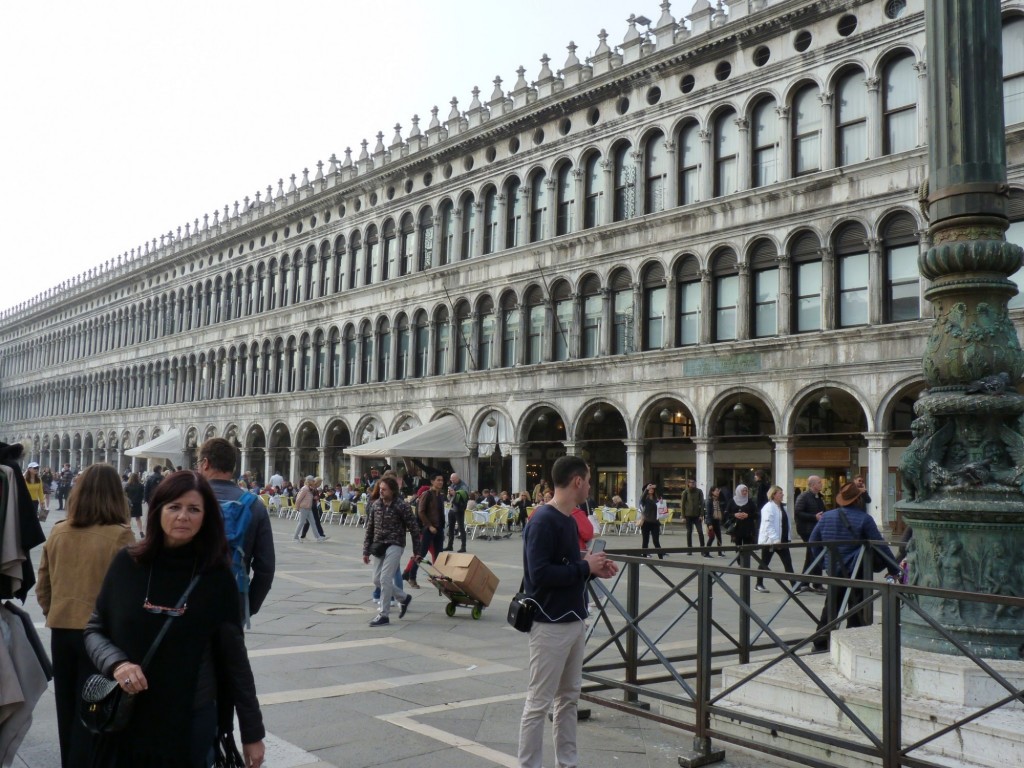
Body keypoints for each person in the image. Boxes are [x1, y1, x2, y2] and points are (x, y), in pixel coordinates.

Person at [83, 471, 266, 767]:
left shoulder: (216, 578)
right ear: (158, 511)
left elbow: (235, 660)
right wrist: (118, 664)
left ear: (206, 517)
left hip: (190, 720)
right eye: (174, 507)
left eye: (194, 509)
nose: (183, 516)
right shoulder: (127, 564)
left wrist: (252, 732)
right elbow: (94, 629)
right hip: (126, 716)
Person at [518, 455, 618, 768]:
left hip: (573, 618)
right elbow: (540, 575)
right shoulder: (543, 519)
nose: (590, 486)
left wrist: (591, 569)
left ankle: (567, 761)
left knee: (569, 699)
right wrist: (583, 566)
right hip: (549, 622)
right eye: (588, 480)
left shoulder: (567, 519)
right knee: (539, 703)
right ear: (577, 481)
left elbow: (566, 566)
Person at [36, 464, 136, 768]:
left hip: (62, 632)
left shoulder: (59, 530)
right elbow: (129, 593)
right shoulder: (120, 535)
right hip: (101, 638)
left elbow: (43, 586)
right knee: (95, 710)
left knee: (66, 708)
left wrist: (57, 611)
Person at [808, 481, 901, 651]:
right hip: (856, 569)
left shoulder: (827, 516)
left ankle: (820, 643)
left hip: (834, 569)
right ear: (858, 500)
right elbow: (880, 546)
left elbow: (813, 541)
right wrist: (894, 568)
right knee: (857, 606)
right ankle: (852, 642)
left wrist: (823, 562)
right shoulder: (864, 519)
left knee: (831, 606)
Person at [197, 438, 276, 625]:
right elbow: (266, 567)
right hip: (234, 595)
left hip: (189, 595)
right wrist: (249, 603)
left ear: (206, 463)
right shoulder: (254, 505)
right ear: (233, 467)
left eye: (198, 464)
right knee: (229, 653)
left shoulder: (186, 503)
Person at [362, 476, 420, 627]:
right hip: (379, 545)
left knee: (385, 578)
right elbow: (370, 529)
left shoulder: (402, 506)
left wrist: (417, 551)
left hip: (395, 544)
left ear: (393, 490)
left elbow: (414, 529)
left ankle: (384, 615)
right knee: (376, 579)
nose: (381, 491)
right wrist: (366, 551)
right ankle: (404, 597)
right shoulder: (376, 505)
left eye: (384, 489)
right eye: (380, 489)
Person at [403, 473, 445, 589]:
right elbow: (421, 512)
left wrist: (441, 527)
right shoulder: (427, 494)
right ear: (432, 481)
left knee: (439, 556)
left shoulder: (440, 495)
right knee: (420, 554)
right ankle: (412, 577)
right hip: (428, 529)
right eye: (438, 480)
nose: (441, 482)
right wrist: (429, 526)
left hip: (439, 529)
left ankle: (436, 578)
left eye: (442, 480)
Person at [755, 486, 795, 593]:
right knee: (764, 563)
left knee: (788, 563)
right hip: (771, 542)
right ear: (774, 495)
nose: (782, 495)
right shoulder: (768, 507)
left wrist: (787, 537)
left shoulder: (783, 507)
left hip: (783, 541)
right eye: (780, 493)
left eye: (782, 493)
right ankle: (758, 584)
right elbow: (768, 525)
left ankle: (795, 586)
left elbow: (786, 524)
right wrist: (775, 539)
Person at [794, 476, 827, 594]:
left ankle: (805, 583)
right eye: (819, 482)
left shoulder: (819, 496)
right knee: (815, 555)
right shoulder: (804, 496)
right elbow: (798, 512)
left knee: (811, 556)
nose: (821, 484)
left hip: (816, 530)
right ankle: (816, 584)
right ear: (813, 485)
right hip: (807, 530)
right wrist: (814, 517)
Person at [292, 476, 327, 542]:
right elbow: (298, 498)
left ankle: (318, 537)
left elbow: (309, 498)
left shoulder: (310, 489)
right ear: (309, 481)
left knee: (313, 522)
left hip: (309, 508)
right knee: (301, 522)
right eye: (313, 481)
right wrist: (297, 507)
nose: (314, 482)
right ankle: (295, 537)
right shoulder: (305, 489)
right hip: (304, 508)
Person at [680, 478, 707, 555]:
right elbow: (682, 505)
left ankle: (702, 549)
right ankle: (689, 549)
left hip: (697, 515)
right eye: (691, 483)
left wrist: (702, 515)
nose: (692, 484)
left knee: (700, 531)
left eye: (694, 482)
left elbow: (702, 504)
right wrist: (683, 516)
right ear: (688, 484)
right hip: (688, 515)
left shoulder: (699, 491)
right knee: (689, 532)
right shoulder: (685, 492)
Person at [638, 483, 665, 558]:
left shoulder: (657, 499)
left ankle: (660, 558)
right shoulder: (644, 499)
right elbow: (641, 499)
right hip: (646, 522)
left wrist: (657, 488)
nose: (651, 490)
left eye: (652, 489)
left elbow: (661, 506)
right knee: (645, 542)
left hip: (655, 523)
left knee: (656, 541)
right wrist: (646, 489)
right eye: (650, 489)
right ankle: (644, 558)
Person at [446, 472, 468, 552]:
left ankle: (463, 546)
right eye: (451, 479)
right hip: (452, 508)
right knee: (451, 528)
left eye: (453, 479)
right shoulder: (452, 485)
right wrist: (449, 494)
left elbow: (465, 496)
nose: (452, 481)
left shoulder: (463, 485)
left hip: (459, 509)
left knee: (461, 528)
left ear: (457, 478)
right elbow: (449, 497)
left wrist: (455, 493)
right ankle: (450, 545)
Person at [704, 486, 727, 557]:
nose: (717, 492)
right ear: (712, 492)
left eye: (718, 491)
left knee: (719, 537)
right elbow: (708, 513)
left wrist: (721, 492)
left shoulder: (718, 500)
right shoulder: (709, 501)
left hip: (717, 520)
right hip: (711, 520)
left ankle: (719, 552)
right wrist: (709, 524)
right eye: (716, 491)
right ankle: (706, 553)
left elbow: (725, 500)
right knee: (712, 537)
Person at [125, 472, 145, 538]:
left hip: (129, 503)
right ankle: (141, 532)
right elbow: (143, 493)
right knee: (138, 518)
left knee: (129, 518)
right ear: (137, 477)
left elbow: (124, 494)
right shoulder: (141, 485)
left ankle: (129, 532)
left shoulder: (128, 485)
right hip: (138, 503)